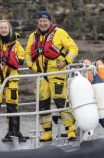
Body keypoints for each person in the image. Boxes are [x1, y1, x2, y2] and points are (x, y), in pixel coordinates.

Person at [25, 11, 78, 142]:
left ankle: (70, 130)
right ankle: (47, 132)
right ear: (38, 22)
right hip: (42, 75)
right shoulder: (33, 36)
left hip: (57, 74)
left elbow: (73, 48)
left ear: (50, 22)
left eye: (45, 21)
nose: (43, 23)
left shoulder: (60, 33)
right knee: (43, 104)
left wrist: (66, 61)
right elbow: (27, 53)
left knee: (61, 102)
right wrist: (32, 65)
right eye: (40, 21)